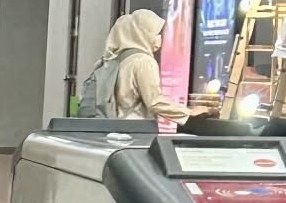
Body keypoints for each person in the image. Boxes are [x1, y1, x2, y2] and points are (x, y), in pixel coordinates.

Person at [84, 10, 216, 123]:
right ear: (143, 34)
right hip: (136, 132)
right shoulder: (143, 61)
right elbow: (155, 101)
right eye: (155, 33)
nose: (159, 38)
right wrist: (189, 113)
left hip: (114, 130)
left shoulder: (116, 60)